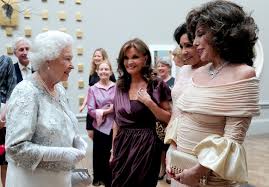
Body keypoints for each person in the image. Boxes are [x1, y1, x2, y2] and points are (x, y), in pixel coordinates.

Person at [170, 1, 260, 186]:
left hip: (209, 174)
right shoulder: (199, 71)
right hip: (181, 167)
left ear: (223, 34)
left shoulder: (243, 73)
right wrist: (172, 152)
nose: (195, 43)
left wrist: (198, 171)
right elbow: (181, 117)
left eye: (201, 34)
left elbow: (233, 138)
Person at [5, 30, 87, 187]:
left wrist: (75, 140)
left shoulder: (59, 89)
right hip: (32, 181)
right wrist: (61, 153)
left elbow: (63, 125)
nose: (72, 66)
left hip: (60, 180)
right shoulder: (27, 91)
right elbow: (15, 148)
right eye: (67, 59)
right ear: (48, 60)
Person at [110, 38, 172, 187]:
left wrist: (149, 103)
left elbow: (169, 118)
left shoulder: (156, 84)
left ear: (145, 58)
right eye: (126, 58)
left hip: (147, 146)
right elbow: (116, 121)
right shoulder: (120, 85)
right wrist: (113, 150)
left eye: (135, 57)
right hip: (122, 145)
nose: (129, 62)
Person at [164, 22, 206, 186]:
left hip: (201, 147)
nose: (184, 51)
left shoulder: (214, 72)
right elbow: (176, 111)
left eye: (189, 45)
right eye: (181, 46)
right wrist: (171, 147)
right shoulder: (183, 71)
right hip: (178, 143)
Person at [87, 60, 116, 187]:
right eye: (101, 69)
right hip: (101, 129)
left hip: (117, 127)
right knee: (103, 158)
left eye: (106, 69)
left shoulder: (117, 87)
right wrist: (107, 111)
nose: (104, 71)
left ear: (110, 71)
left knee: (115, 157)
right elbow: (91, 110)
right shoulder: (92, 89)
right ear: (97, 72)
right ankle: (105, 181)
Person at [79, 48, 116, 141]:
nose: (96, 58)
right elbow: (89, 91)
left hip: (108, 115)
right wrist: (84, 104)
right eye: (94, 56)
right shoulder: (92, 73)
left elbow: (113, 92)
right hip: (93, 110)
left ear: (104, 57)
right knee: (92, 135)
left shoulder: (109, 75)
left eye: (98, 56)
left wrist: (107, 110)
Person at [155, 56, 175, 182]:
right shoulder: (155, 82)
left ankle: (170, 172)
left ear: (169, 67)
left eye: (163, 65)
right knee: (160, 148)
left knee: (170, 146)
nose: (161, 68)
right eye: (159, 66)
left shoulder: (174, 82)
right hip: (157, 120)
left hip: (171, 119)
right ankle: (162, 169)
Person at [0, 55, 16, 187]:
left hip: (3, 121)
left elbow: (12, 90)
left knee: (4, 161)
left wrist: (3, 116)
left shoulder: (5, 61)